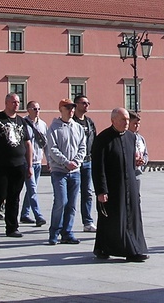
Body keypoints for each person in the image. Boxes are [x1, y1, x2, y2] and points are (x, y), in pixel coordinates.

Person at [92, 108, 149, 262]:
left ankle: (134, 248)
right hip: (112, 186)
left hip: (129, 185)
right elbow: (98, 167)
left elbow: (128, 160)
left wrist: (136, 162)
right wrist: (101, 190)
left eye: (127, 120)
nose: (126, 123)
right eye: (123, 120)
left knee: (132, 217)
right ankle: (105, 247)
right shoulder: (102, 139)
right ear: (113, 121)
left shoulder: (131, 137)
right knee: (109, 219)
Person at [0, 93, 33, 237]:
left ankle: (12, 227)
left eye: (18, 102)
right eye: (13, 102)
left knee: (14, 196)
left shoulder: (21, 121)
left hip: (18, 165)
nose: (16, 104)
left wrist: (29, 166)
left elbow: (28, 144)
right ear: (6, 103)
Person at [46, 98, 86, 245]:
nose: (71, 111)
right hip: (59, 171)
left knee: (72, 204)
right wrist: (65, 162)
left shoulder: (78, 128)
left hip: (75, 171)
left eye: (72, 108)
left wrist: (76, 161)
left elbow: (83, 147)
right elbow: (52, 149)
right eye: (67, 108)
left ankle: (67, 232)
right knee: (61, 201)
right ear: (61, 109)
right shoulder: (54, 128)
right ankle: (54, 232)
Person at [21, 101, 47, 227]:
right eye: (34, 108)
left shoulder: (43, 125)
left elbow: (45, 144)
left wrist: (48, 161)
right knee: (32, 189)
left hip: (38, 162)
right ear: (28, 110)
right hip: (26, 162)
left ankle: (25, 214)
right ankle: (38, 216)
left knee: (32, 189)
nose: (37, 111)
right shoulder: (23, 124)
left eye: (38, 108)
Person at [73, 95, 97, 232]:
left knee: (87, 192)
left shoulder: (89, 122)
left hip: (88, 161)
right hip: (74, 162)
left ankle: (87, 222)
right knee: (72, 193)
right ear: (76, 105)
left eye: (88, 103)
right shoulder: (71, 122)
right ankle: (66, 222)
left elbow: (95, 141)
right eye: (84, 103)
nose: (87, 105)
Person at [129, 112, 149, 184]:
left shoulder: (141, 139)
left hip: (137, 175)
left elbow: (146, 154)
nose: (137, 126)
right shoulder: (125, 138)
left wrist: (143, 160)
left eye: (139, 124)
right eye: (135, 123)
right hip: (127, 175)